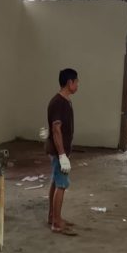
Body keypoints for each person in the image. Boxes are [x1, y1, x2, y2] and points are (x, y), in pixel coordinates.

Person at [46, 68, 79, 236]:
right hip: (60, 151)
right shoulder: (59, 102)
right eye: (76, 81)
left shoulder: (65, 101)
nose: (78, 85)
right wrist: (62, 155)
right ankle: (57, 223)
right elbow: (56, 129)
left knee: (56, 181)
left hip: (60, 151)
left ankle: (53, 216)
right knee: (61, 185)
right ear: (69, 82)